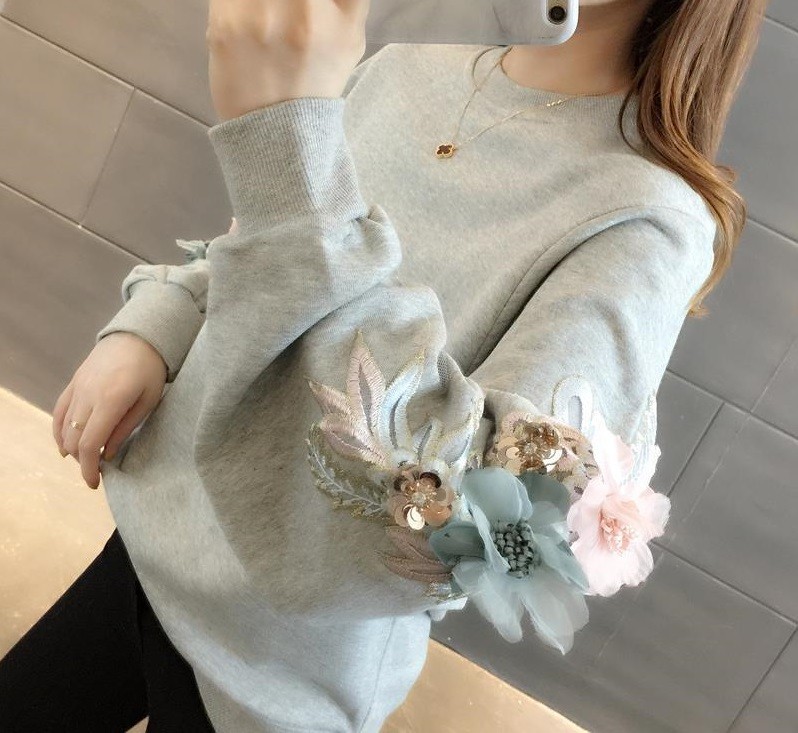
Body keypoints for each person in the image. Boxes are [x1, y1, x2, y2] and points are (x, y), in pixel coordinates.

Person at [0, 0, 768, 731]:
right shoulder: (407, 65)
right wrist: (158, 323)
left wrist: (285, 141)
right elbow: (268, 258)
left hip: (289, 655)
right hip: (169, 527)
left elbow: (489, 509)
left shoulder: (652, 218)